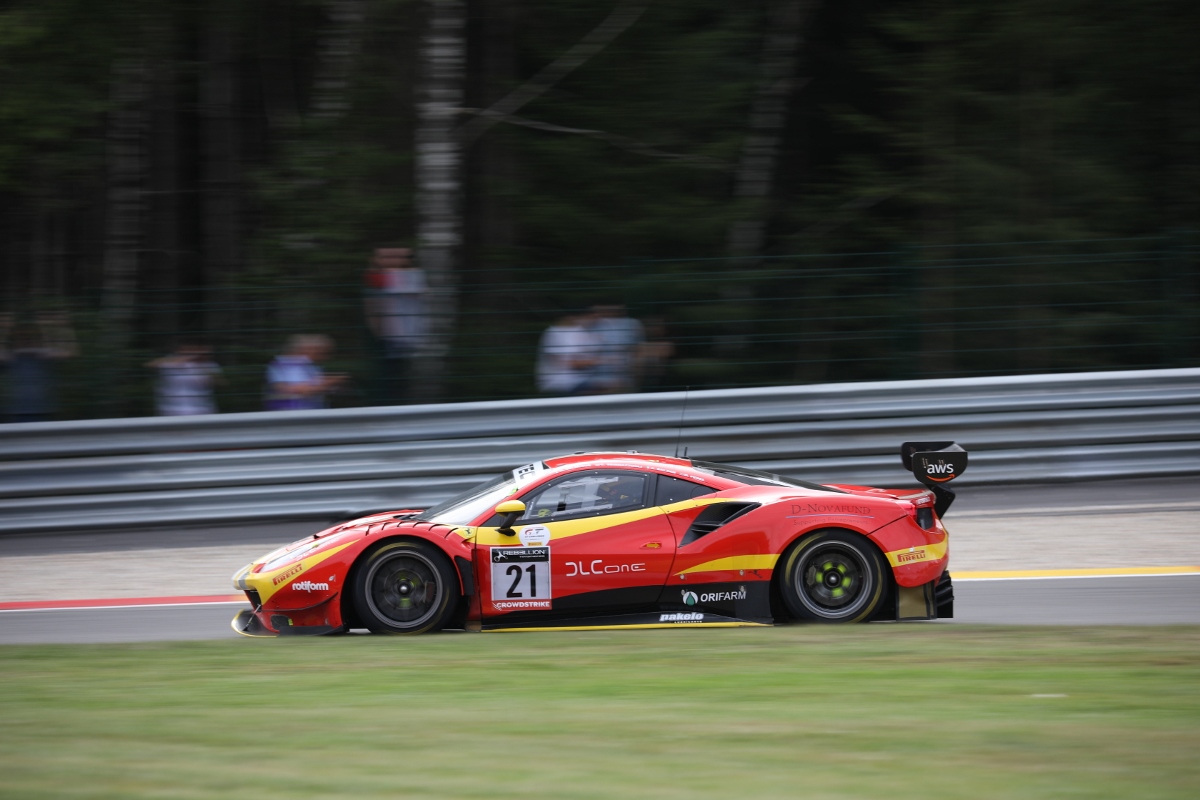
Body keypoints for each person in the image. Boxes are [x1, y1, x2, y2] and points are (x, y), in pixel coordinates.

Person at [364, 247, 429, 404]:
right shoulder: (379, 276)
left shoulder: (410, 276)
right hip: (382, 332)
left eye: (396, 257)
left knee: (398, 376)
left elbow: (378, 281)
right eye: (385, 257)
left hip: (403, 333)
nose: (391, 261)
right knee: (385, 375)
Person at [0, 310, 77, 423]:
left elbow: (70, 352)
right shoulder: (12, 357)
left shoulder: (43, 355)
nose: (25, 341)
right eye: (21, 338)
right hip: (18, 411)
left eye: (28, 338)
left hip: (42, 410)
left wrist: (64, 326)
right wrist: (5, 328)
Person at [264, 334, 346, 411]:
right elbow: (301, 390)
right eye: (322, 352)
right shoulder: (286, 365)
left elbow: (316, 386)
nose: (325, 356)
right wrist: (331, 382)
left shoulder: (311, 366)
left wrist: (332, 386)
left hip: (310, 414)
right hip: (291, 415)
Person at [536, 310, 603, 396]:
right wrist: (599, 361)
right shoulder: (553, 333)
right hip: (561, 383)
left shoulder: (580, 331)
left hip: (580, 380)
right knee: (605, 387)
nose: (594, 320)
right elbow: (568, 363)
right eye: (590, 316)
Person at [147, 342, 222, 416]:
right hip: (172, 411)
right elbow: (152, 364)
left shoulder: (210, 365)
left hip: (202, 411)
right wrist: (187, 357)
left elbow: (219, 383)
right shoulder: (170, 362)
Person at [589, 303, 645, 394]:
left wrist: (637, 373)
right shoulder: (592, 324)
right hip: (597, 379)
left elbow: (639, 350)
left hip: (625, 378)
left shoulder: (632, 324)